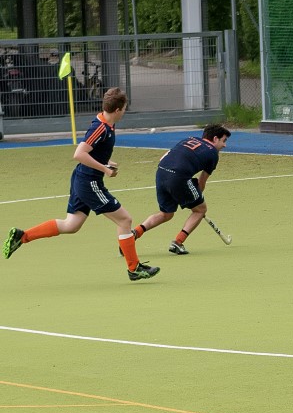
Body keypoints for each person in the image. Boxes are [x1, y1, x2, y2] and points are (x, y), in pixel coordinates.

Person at [2, 88, 160, 281]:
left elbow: (93, 153)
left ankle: (22, 236)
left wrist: (105, 162)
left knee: (71, 224)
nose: (124, 112)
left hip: (82, 178)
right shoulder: (100, 128)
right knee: (125, 220)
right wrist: (104, 169)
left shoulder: (107, 124)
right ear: (118, 109)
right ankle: (134, 268)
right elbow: (79, 153)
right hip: (89, 182)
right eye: (124, 108)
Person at [128, 124, 231, 255]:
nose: (225, 145)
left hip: (161, 172)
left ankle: (134, 234)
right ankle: (178, 242)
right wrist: (197, 201)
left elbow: (163, 158)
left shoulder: (188, 139)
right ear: (215, 139)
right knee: (200, 210)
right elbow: (202, 181)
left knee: (166, 214)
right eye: (224, 141)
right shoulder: (213, 153)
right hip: (178, 177)